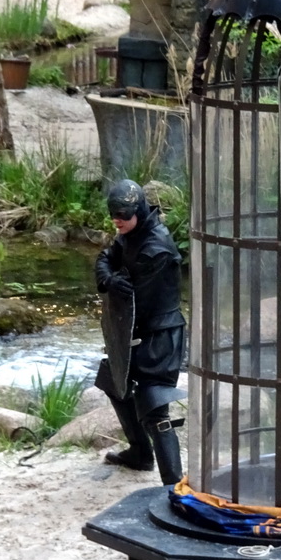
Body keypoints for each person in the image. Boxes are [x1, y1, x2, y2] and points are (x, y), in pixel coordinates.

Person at [94, 179, 185, 485]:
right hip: (138, 330)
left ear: (139, 210)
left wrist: (117, 283)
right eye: (113, 213)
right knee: (111, 378)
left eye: (122, 213)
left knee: (154, 405)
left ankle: (173, 484)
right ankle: (139, 451)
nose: (116, 220)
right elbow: (107, 258)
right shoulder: (131, 233)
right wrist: (108, 278)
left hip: (161, 337)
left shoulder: (156, 249)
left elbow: (135, 299)